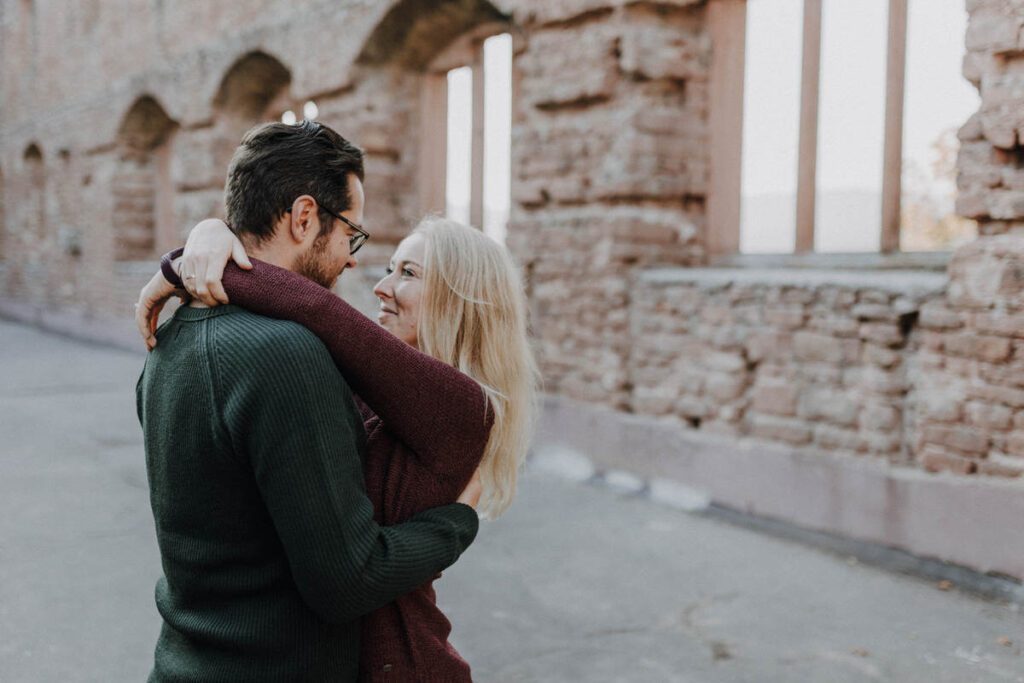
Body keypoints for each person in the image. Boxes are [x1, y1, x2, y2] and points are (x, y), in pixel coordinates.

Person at [135, 120, 485, 682]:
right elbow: (346, 581)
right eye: (352, 232)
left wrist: (197, 251)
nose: (353, 260)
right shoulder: (289, 355)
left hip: (180, 663)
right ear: (303, 218)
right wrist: (458, 523)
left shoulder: (166, 339)